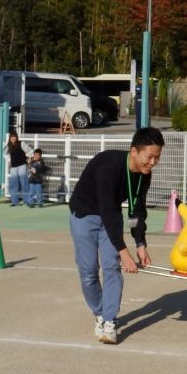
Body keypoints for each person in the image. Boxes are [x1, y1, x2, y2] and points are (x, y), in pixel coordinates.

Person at [69, 126, 165, 344]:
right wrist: (124, 251)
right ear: (134, 152)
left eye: (157, 158)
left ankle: (109, 320)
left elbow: (137, 209)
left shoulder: (143, 175)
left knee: (111, 266)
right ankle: (100, 313)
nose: (152, 163)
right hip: (85, 214)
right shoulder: (108, 166)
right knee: (89, 271)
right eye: (149, 157)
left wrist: (140, 243)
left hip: (110, 219)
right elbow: (108, 210)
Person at [5, 130, 32, 206]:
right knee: (13, 184)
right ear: (10, 138)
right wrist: (9, 160)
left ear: (16, 137)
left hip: (22, 165)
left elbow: (30, 151)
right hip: (13, 167)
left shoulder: (21, 143)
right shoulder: (8, 146)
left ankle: (27, 201)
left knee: (24, 183)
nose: (13, 138)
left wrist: (29, 158)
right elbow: (5, 154)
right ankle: (14, 202)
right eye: (12, 137)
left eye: (14, 136)